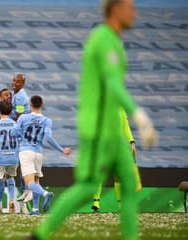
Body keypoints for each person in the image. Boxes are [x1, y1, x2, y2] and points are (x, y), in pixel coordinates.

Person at [30, 0, 158, 239]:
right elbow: (111, 84)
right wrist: (138, 113)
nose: (135, 12)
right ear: (115, 9)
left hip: (115, 132)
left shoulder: (115, 42)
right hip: (98, 130)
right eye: (130, 7)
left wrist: (128, 135)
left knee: (129, 185)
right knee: (89, 187)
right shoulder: (103, 39)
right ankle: (39, 234)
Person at [13, 95, 71, 215]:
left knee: (30, 183)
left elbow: (14, 133)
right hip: (38, 153)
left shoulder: (23, 117)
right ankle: (35, 209)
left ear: (30, 104)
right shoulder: (46, 120)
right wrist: (61, 150)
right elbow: (48, 138)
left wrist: (20, 131)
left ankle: (45, 194)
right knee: (36, 181)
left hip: (26, 151)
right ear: (42, 104)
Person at [92, 109, 141, 212]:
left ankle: (121, 205)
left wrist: (132, 142)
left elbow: (126, 126)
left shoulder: (121, 109)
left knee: (117, 176)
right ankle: (96, 203)